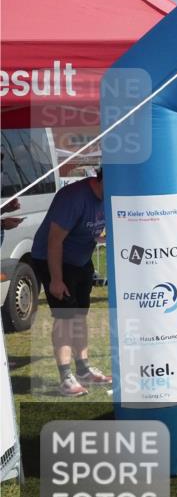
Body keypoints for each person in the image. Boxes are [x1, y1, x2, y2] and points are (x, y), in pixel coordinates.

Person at [30, 170, 112, 397]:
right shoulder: (74, 197)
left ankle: (83, 369)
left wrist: (103, 239)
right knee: (65, 317)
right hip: (52, 259)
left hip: (80, 261)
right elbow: (54, 241)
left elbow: (87, 231)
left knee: (79, 316)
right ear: (103, 177)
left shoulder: (108, 195)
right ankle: (65, 376)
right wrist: (56, 280)